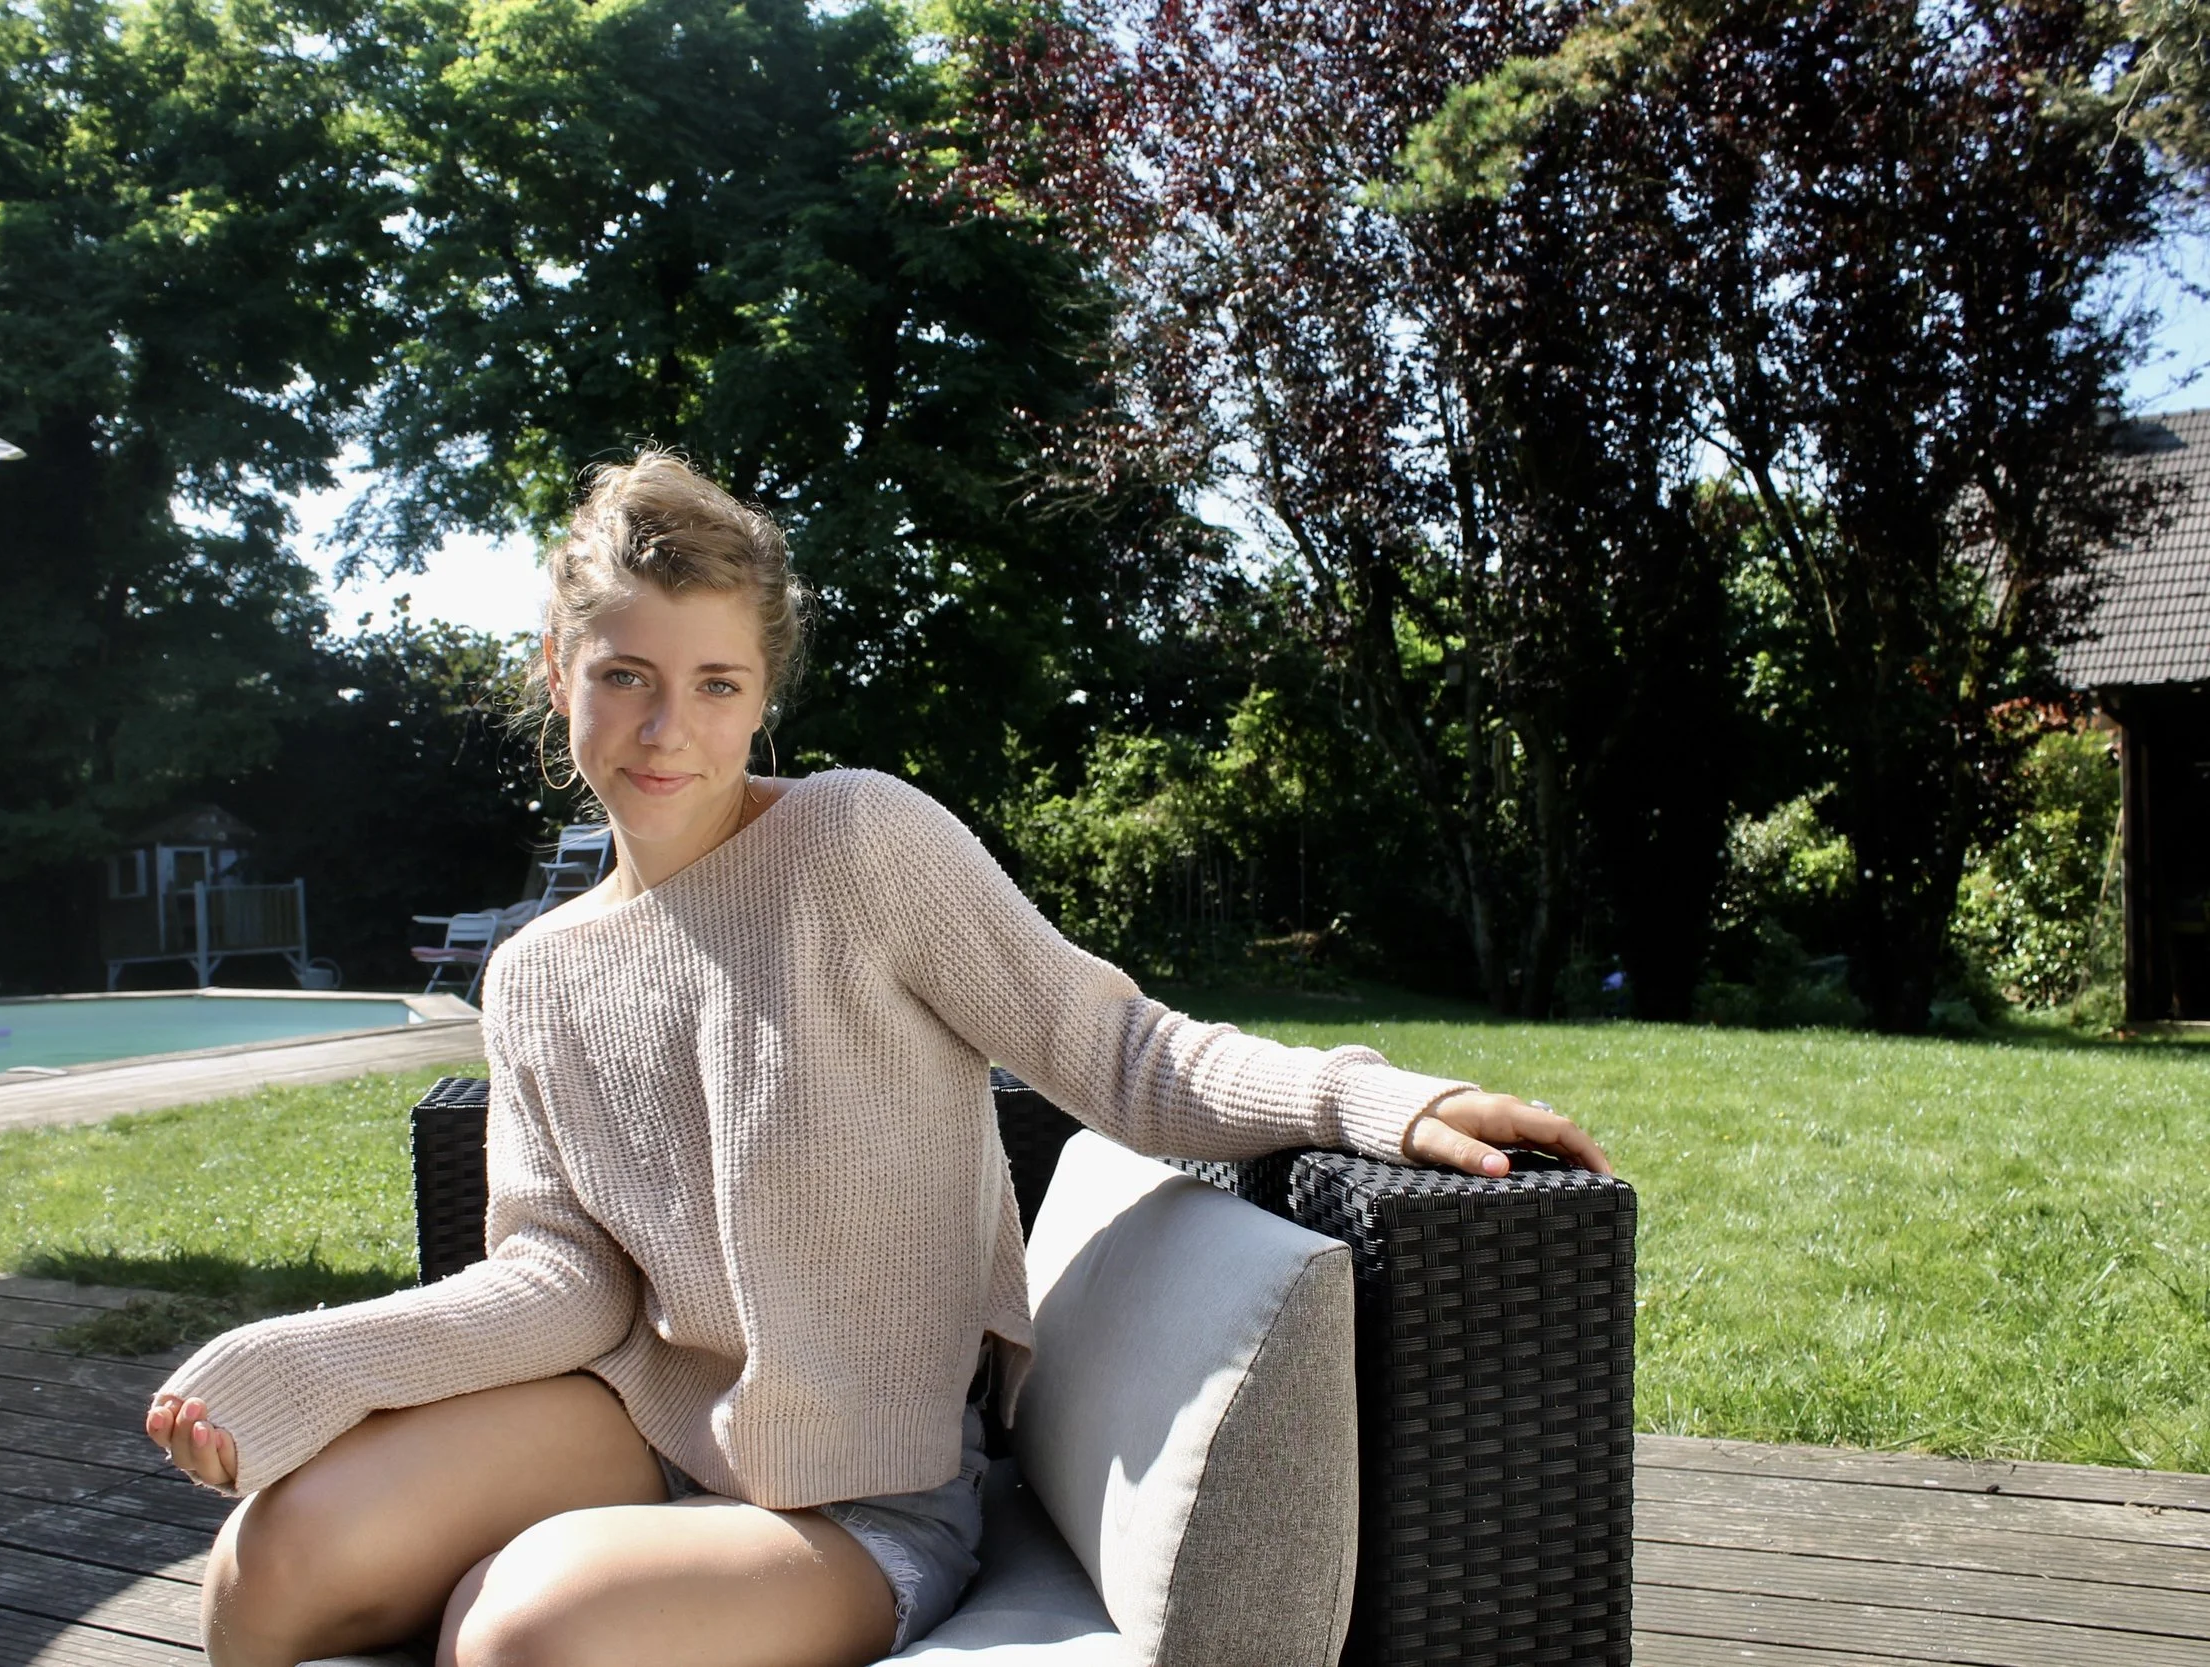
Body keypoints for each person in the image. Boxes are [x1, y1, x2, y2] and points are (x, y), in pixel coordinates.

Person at [145, 449, 1611, 1667]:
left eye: (717, 682)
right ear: (556, 674)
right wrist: (303, 1363)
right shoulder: (531, 976)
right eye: (627, 675)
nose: (670, 729)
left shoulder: (857, 842)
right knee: (266, 1563)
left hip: (862, 1491)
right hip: (638, 1423)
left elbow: (1115, 1045)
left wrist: (1376, 1097)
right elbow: (561, 1281)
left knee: (517, 1630)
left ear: (763, 691)